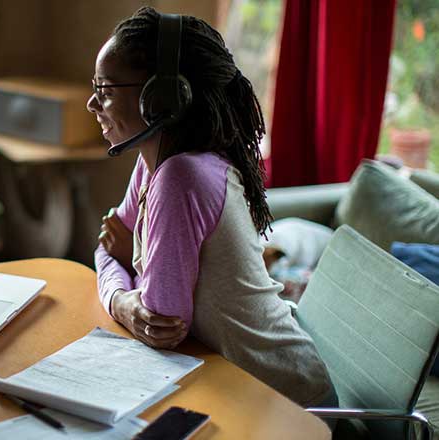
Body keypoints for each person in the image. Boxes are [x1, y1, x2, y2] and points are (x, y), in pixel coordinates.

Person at [90, 7, 334, 409]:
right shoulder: (154, 162)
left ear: (161, 98)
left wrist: (125, 278)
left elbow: (162, 322)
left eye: (106, 90)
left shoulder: (181, 176)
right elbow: (104, 246)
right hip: (229, 379)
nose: (92, 104)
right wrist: (123, 296)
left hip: (287, 400)